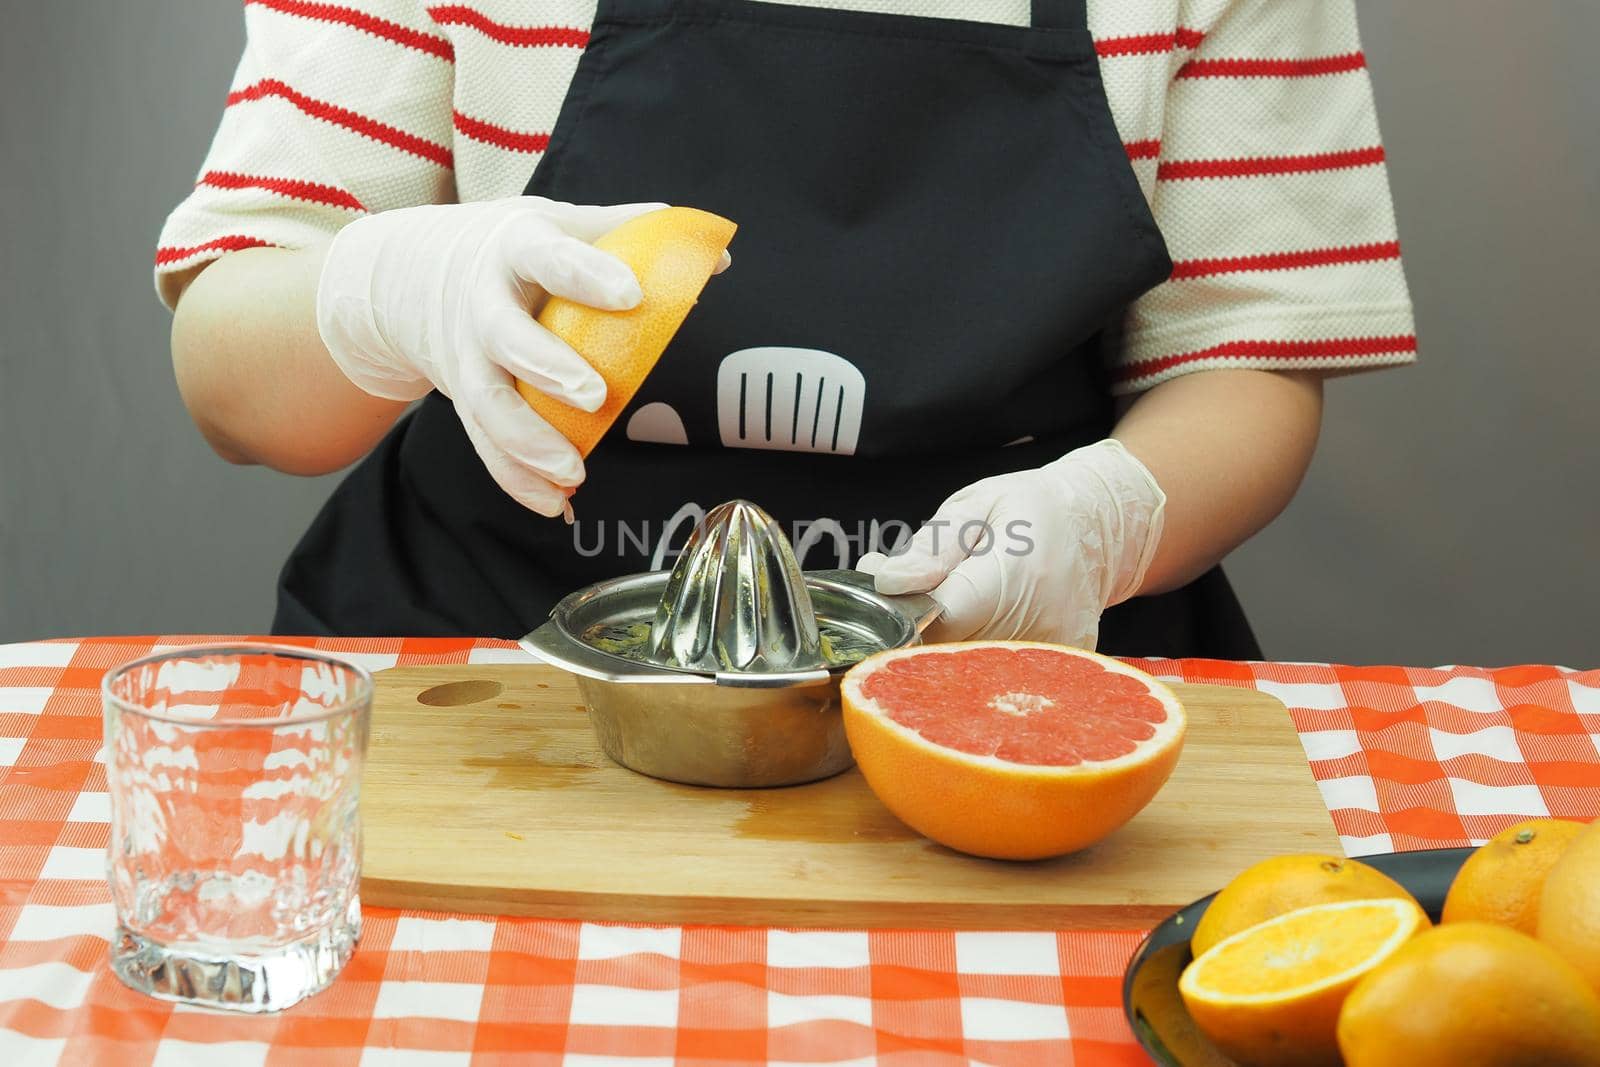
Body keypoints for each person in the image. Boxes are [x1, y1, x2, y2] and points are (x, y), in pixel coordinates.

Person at [158, 0, 1415, 655]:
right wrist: (385, 291)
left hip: (995, 676)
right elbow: (237, 392)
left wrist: (1105, 522)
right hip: (489, 669)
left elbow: (1248, 360)